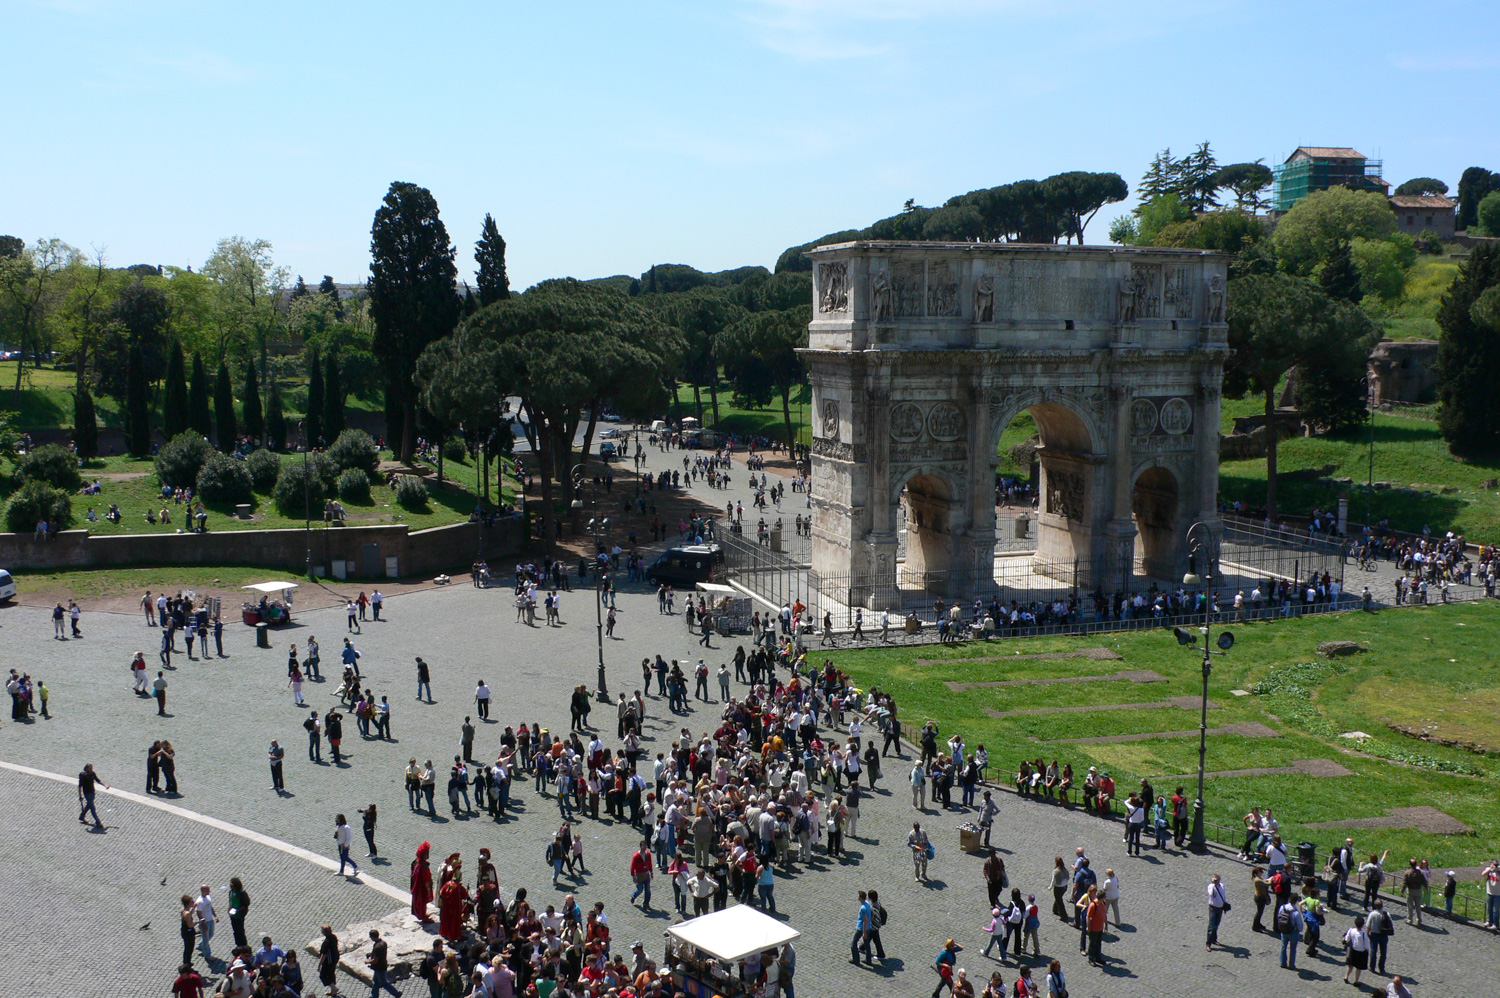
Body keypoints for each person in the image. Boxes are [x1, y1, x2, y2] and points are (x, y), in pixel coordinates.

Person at [365, 928, 401, 997]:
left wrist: (367, 961)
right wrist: (371, 954)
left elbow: (375, 960)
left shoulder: (377, 947)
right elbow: (377, 953)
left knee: (384, 983)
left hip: (379, 967)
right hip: (382, 965)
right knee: (376, 981)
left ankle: (396, 993)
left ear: (372, 937)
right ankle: (374, 995)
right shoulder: (383, 943)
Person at [1343, 914, 1370, 986]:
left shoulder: (1351, 930)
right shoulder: (1364, 934)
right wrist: (1366, 950)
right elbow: (1367, 945)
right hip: (1360, 952)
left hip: (1352, 950)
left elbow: (1347, 939)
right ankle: (1356, 981)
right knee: (1358, 968)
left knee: (1350, 965)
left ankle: (1346, 976)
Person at [77, 763, 107, 828]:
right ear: (87, 768)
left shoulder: (92, 774)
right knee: (92, 808)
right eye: (90, 768)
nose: (91, 769)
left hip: (92, 792)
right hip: (87, 793)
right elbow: (80, 786)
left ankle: (82, 816)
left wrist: (105, 785)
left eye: (92, 768)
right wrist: (80, 796)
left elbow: (98, 780)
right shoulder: (83, 775)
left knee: (89, 805)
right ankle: (98, 822)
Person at [411, 841, 434, 922]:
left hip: (416, 886)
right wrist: (428, 890)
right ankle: (423, 916)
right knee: (422, 902)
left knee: (418, 901)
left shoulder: (416, 862)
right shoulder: (424, 867)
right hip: (422, 887)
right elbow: (427, 879)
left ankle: (421, 914)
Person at [317, 925, 342, 997]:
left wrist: (319, 965)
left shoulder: (326, 942)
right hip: (335, 959)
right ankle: (333, 991)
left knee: (323, 975)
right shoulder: (333, 937)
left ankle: (334, 988)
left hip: (328, 962)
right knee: (331, 973)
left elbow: (324, 955)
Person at [227, 877, 251, 948]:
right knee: (235, 931)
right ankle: (238, 945)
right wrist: (229, 908)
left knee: (240, 931)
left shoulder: (242, 894)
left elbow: (246, 904)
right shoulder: (231, 892)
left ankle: (243, 945)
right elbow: (230, 900)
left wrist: (238, 910)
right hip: (233, 914)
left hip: (239, 915)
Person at [1206, 873, 1227, 951]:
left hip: (1220, 908)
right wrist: (1213, 884)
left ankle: (1214, 939)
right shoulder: (1211, 886)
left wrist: (1225, 907)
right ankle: (1208, 944)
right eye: (1215, 880)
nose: (1217, 881)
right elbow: (1211, 893)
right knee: (1211, 926)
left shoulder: (1222, 886)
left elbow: (1224, 896)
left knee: (1216, 925)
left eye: (1218, 880)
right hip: (1213, 908)